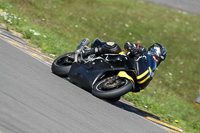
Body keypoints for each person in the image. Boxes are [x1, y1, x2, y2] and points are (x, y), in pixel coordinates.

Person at [83, 38, 167, 92]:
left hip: (128, 71)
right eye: (156, 57)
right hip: (120, 59)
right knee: (114, 47)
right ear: (152, 53)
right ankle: (86, 52)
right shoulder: (142, 51)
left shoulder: (151, 70)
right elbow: (128, 44)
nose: (156, 60)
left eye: (159, 60)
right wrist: (132, 48)